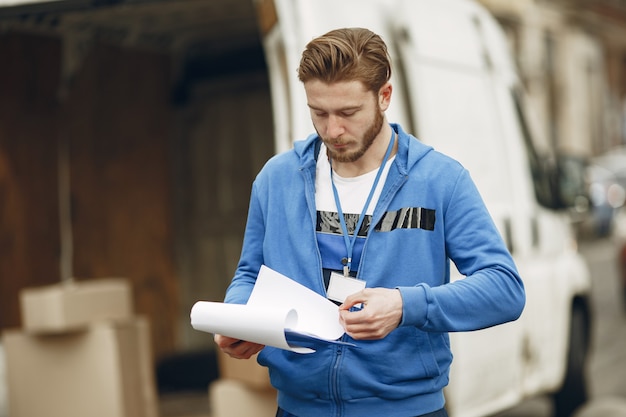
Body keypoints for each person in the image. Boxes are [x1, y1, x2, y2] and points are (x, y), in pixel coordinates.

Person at [214, 27, 525, 417]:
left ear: (384, 96)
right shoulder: (276, 180)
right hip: (298, 409)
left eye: (348, 113)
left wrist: (403, 305)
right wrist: (240, 316)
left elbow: (505, 288)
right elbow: (249, 274)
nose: (333, 130)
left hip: (407, 410)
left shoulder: (441, 180)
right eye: (318, 113)